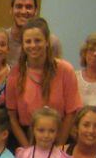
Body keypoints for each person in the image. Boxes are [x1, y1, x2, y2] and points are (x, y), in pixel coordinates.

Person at [6, 18, 81, 148]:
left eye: (38, 40)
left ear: (47, 41)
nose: (33, 45)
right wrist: (28, 150)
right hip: (27, 139)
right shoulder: (16, 73)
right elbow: (12, 117)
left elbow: (71, 113)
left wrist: (58, 146)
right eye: (28, 41)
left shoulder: (65, 70)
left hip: (58, 137)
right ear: (23, 45)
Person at [6, 0, 61, 66]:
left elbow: (56, 70)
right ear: (11, 10)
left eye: (28, 7)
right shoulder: (3, 39)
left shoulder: (51, 41)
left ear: (36, 11)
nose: (23, 11)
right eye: (19, 6)